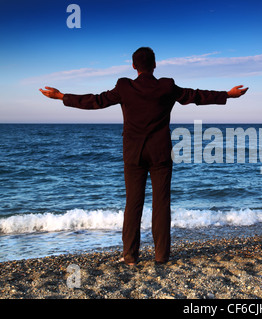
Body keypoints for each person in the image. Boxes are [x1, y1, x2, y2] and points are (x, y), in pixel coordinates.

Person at [40, 47, 248, 266]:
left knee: (133, 204)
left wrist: (61, 96)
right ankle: (161, 256)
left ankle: (130, 256)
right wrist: (228, 94)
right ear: (155, 65)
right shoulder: (166, 85)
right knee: (161, 203)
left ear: (133, 66)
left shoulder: (124, 86)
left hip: (134, 154)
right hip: (160, 153)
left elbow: (96, 101)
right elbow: (195, 96)